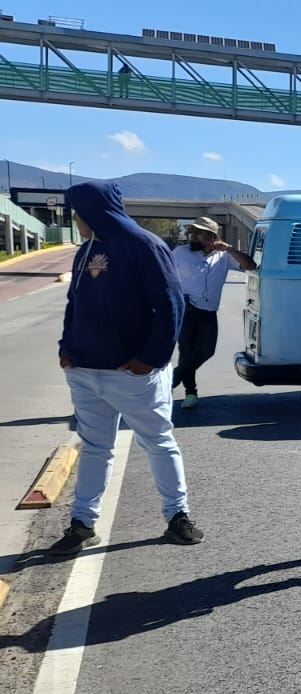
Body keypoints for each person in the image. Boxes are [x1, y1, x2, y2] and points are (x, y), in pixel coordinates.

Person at [50, 179, 203, 555]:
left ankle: (177, 516)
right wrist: (66, 349)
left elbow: (171, 306)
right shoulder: (87, 250)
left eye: (78, 213)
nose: (76, 220)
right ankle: (83, 523)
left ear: (94, 212)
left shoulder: (144, 245)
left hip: (132, 373)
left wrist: (150, 360)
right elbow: (75, 303)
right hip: (85, 371)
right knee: (96, 447)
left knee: (158, 442)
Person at [171, 215, 257, 408]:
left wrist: (230, 249)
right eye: (191, 232)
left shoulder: (224, 256)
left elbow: (250, 266)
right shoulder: (180, 253)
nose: (192, 236)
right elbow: (165, 275)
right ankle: (190, 393)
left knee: (206, 351)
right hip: (186, 309)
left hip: (208, 311)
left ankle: (172, 378)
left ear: (211, 236)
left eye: (198, 233)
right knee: (187, 352)